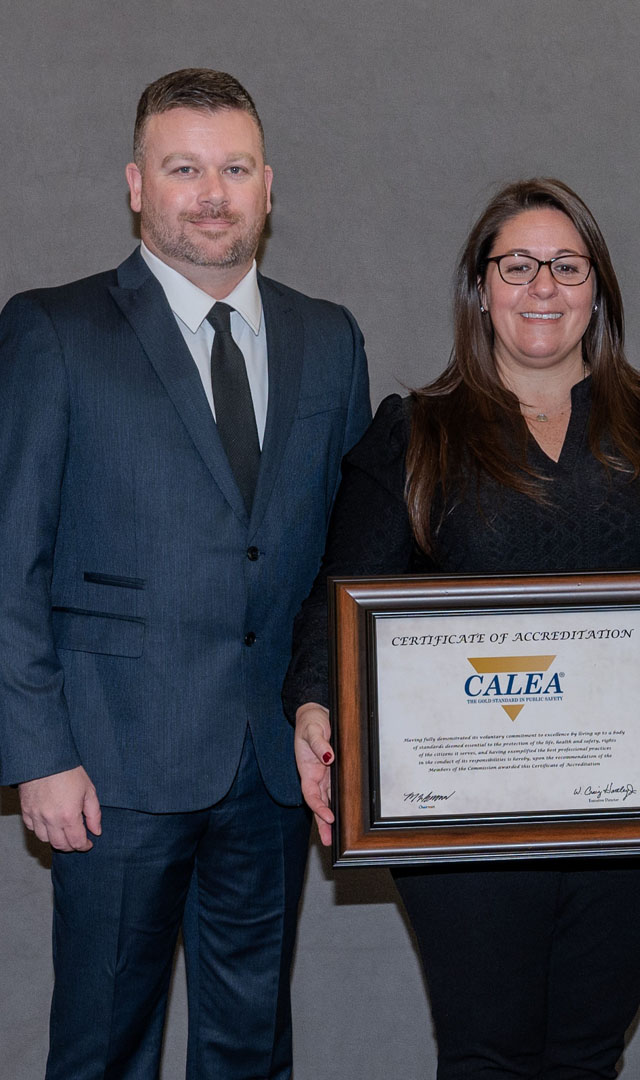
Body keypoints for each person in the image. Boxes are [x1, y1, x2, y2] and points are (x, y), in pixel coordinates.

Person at [284, 177, 640, 1078]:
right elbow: (338, 598)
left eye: (566, 266)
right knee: (485, 1054)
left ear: (598, 290)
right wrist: (316, 703)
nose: (542, 286)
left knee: (587, 1053)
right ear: (481, 288)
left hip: (626, 807)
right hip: (464, 818)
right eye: (517, 265)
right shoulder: (414, 434)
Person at [0, 68, 370, 1078]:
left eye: (235, 168)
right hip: (108, 765)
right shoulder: (52, 331)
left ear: (268, 186)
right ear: (135, 184)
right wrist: (38, 753)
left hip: (269, 765)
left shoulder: (328, 341)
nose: (212, 192)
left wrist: (323, 706)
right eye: (184, 168)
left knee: (250, 1047)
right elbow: (8, 559)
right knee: (102, 1047)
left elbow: (346, 559)